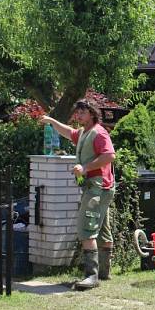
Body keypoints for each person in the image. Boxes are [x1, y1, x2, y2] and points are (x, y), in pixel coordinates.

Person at [41, 100, 116, 290]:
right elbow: (68, 132)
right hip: (97, 187)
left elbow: (109, 156)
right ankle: (104, 272)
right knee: (103, 230)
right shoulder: (84, 132)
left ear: (91, 113)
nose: (78, 116)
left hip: (98, 188)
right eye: (78, 113)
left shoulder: (99, 133)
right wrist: (51, 121)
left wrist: (84, 168)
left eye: (82, 112)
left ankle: (91, 276)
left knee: (86, 228)